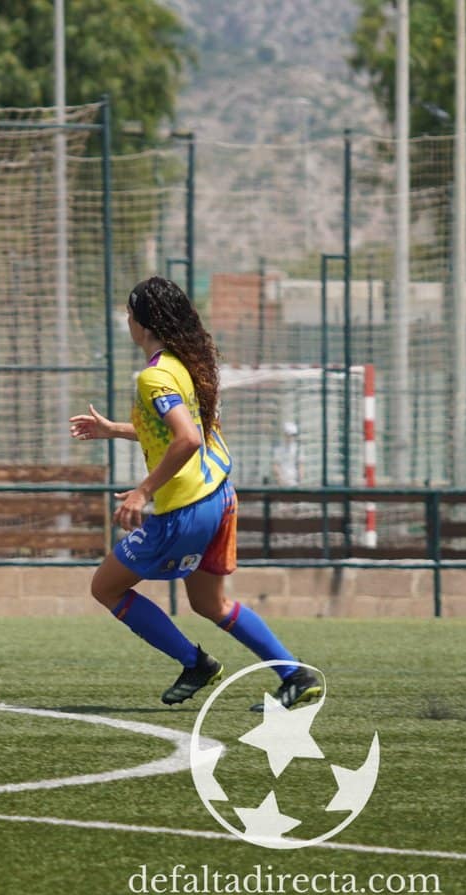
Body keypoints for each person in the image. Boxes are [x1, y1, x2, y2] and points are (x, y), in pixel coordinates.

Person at [69, 276, 319, 711]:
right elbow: (182, 433)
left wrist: (142, 492)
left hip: (186, 507)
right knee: (210, 603)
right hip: (220, 495)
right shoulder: (185, 365)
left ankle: (195, 662)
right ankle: (294, 675)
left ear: (142, 323)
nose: (127, 323)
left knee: (105, 587)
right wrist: (115, 430)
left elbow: (187, 439)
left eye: (129, 316)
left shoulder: (155, 376)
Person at [270, 420, 301, 487]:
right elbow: (275, 466)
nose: (290, 437)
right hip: (281, 483)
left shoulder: (297, 449)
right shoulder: (278, 449)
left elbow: (300, 466)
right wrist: (280, 480)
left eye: (293, 435)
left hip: (294, 482)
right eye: (288, 435)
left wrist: (298, 481)